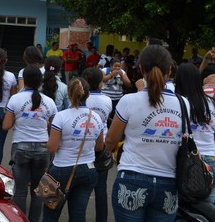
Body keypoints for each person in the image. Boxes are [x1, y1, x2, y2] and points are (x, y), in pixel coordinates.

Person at [105, 45, 186, 222]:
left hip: (131, 180)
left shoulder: (129, 101)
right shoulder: (184, 104)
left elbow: (111, 140)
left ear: (141, 68)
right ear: (170, 70)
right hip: (168, 184)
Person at [43, 78, 104, 222]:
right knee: (78, 214)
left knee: (50, 214)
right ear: (88, 95)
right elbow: (99, 147)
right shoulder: (96, 117)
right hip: (89, 170)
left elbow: (52, 147)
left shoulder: (61, 116)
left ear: (69, 94)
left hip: (61, 170)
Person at [3, 65, 57, 222]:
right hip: (42, 148)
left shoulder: (15, 99)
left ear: (24, 80)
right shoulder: (49, 102)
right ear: (40, 81)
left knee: (20, 191)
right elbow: (54, 128)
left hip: (20, 148)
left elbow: (6, 126)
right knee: (37, 191)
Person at [174, 62, 215, 204]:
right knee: (210, 206)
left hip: (189, 159)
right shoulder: (209, 102)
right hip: (212, 156)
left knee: (185, 205)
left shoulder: (178, 102)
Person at [83, 67, 113, 222]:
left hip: (82, 144)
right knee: (101, 188)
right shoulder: (107, 100)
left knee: (80, 188)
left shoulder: (80, 99)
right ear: (101, 83)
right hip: (101, 145)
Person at [100, 57, 131, 123]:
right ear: (111, 66)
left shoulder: (122, 72)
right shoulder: (105, 70)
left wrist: (122, 76)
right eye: (115, 66)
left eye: (119, 66)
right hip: (106, 98)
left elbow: (128, 83)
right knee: (106, 115)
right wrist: (111, 75)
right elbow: (102, 79)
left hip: (117, 98)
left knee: (115, 115)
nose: (117, 68)